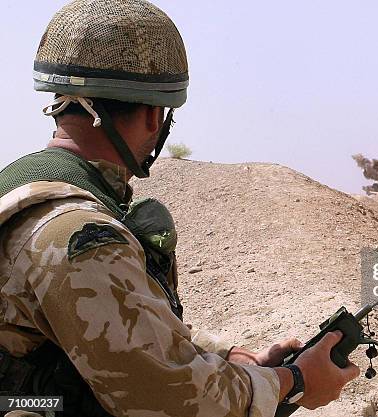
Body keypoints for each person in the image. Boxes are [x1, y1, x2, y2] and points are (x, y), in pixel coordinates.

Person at [0, 1, 359, 416]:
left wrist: (235, 359)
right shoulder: (82, 237)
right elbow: (173, 400)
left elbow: (125, 329)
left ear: (62, 99)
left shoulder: (23, 186)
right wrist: (295, 382)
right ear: (155, 117)